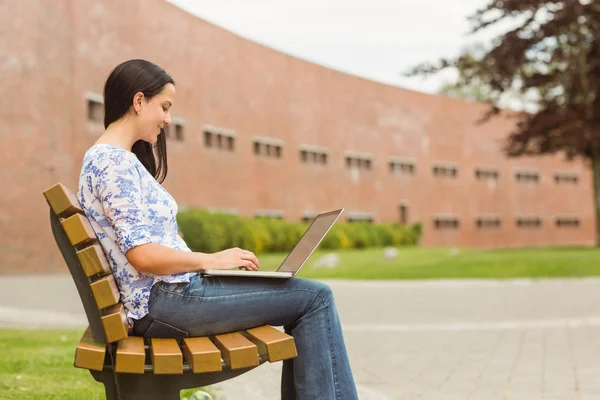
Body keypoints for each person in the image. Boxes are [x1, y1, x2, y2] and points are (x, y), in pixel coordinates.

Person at [78, 59, 359, 400]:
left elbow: (145, 243)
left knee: (309, 297)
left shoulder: (113, 159)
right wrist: (211, 259)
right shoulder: (113, 162)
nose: (168, 119)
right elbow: (143, 256)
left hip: (170, 296)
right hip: (166, 302)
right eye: (164, 107)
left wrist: (195, 257)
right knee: (315, 299)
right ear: (139, 102)